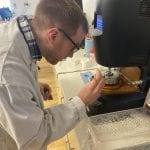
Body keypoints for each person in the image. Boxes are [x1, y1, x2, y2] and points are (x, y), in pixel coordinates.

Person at [0, 0, 105, 149]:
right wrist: (81, 101)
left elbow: (15, 80)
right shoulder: (8, 71)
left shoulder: (20, 34)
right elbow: (34, 138)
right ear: (53, 35)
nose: (71, 55)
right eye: (74, 47)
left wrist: (31, 85)